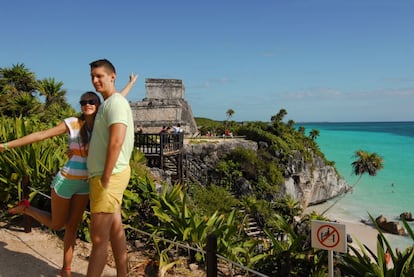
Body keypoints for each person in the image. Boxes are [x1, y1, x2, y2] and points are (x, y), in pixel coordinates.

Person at [1, 74, 138, 277]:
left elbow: (117, 98)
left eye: (92, 101)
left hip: (86, 184)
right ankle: (27, 209)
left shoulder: (101, 124)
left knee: (72, 227)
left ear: (99, 104)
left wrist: (130, 84)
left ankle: (66, 269)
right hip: (65, 181)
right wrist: (5, 145)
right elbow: (41, 135)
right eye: (83, 102)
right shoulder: (73, 123)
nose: (87, 104)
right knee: (58, 224)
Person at [86, 59, 135, 277]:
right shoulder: (111, 102)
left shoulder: (115, 104)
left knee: (98, 239)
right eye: (92, 77)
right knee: (115, 231)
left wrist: (105, 177)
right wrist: (131, 83)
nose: (95, 81)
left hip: (109, 177)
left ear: (111, 77)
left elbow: (117, 141)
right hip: (106, 176)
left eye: (100, 76)